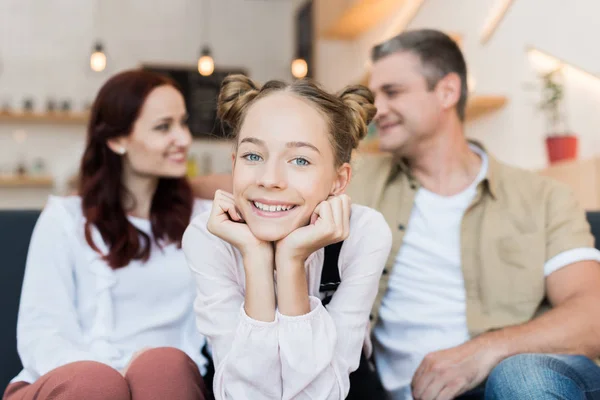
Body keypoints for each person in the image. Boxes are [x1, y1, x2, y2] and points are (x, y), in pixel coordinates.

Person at [190, 30, 600, 400]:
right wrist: (163, 187)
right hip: (395, 388)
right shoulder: (353, 181)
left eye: (392, 92)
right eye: (373, 93)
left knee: (523, 379)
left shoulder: (541, 196)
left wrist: (482, 353)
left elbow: (593, 314)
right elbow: (261, 183)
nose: (376, 107)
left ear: (447, 91)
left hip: (499, 379)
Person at [182, 74, 392, 399]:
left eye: (300, 160)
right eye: (253, 156)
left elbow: (323, 394)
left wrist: (291, 260)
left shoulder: (364, 233)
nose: (270, 179)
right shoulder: (208, 237)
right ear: (234, 163)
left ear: (339, 180)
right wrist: (255, 258)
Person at [4, 70, 211, 400]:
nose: (184, 138)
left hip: (162, 383)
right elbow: (41, 333)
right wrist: (114, 379)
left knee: (163, 366)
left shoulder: (205, 219)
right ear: (117, 140)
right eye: (163, 127)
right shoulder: (65, 219)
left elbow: (254, 185)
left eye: (183, 123)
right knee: (95, 384)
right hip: (68, 382)